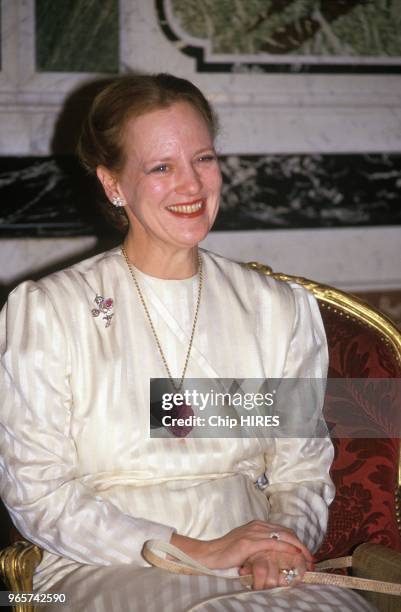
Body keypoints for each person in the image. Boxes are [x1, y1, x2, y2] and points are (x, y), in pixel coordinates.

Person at [0, 74, 375, 611]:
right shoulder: (49, 312)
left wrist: (278, 543)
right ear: (113, 184)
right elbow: (38, 494)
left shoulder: (278, 309)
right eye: (161, 167)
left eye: (203, 159)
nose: (192, 186)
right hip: (100, 560)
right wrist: (198, 549)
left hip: (254, 552)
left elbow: (301, 471)